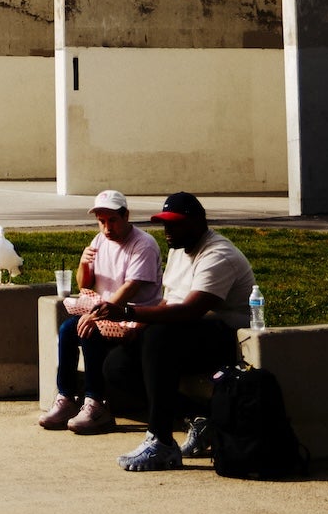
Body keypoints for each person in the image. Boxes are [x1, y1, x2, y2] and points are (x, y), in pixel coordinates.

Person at [91, 190, 256, 473]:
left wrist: (128, 313)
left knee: (159, 337)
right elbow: (169, 301)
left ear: (198, 223)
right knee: (117, 365)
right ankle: (200, 416)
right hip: (186, 335)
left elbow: (190, 311)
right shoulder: (178, 248)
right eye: (165, 224)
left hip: (228, 338)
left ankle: (161, 441)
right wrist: (137, 327)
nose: (167, 231)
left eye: (175, 224)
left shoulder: (218, 254)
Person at [38, 190, 162, 434]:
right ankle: (66, 397)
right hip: (105, 312)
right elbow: (84, 284)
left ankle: (96, 403)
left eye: (112, 220)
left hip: (133, 317)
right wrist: (83, 263)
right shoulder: (99, 240)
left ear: (126, 216)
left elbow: (131, 287)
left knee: (89, 330)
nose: (107, 228)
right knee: (67, 329)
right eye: (102, 221)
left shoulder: (143, 244)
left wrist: (95, 315)